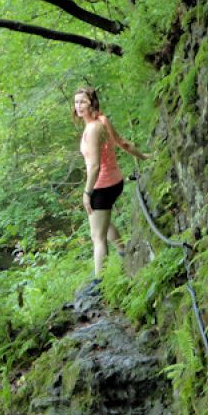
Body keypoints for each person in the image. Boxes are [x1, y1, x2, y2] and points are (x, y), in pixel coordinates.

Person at [73, 86, 150, 288]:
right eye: (76, 102)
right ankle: (123, 251)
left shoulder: (92, 130)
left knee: (96, 237)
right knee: (102, 223)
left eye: (82, 101)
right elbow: (123, 143)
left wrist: (87, 193)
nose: (78, 106)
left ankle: (100, 282)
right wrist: (144, 156)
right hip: (116, 182)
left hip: (102, 186)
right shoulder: (102, 121)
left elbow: (95, 166)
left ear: (92, 103)